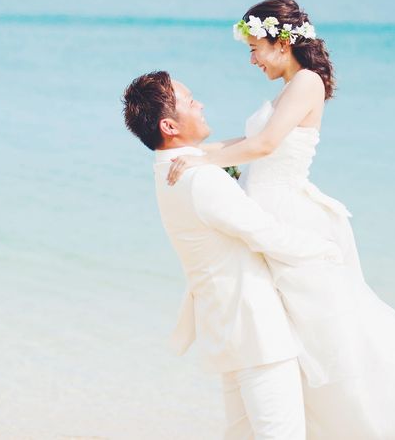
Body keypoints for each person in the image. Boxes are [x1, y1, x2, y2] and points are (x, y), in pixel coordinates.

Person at [167, 0, 395, 439]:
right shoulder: (290, 87)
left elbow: (265, 146)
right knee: (289, 335)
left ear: (281, 42)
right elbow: (247, 141)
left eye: (254, 48)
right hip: (268, 209)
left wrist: (205, 162)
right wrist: (192, 153)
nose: (251, 59)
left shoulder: (306, 82)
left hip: (288, 215)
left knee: (327, 336)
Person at [122, 71, 343, 439]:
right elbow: (267, 235)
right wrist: (328, 250)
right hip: (256, 332)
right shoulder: (200, 179)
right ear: (169, 126)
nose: (200, 105)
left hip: (225, 330)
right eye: (189, 101)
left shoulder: (167, 171)